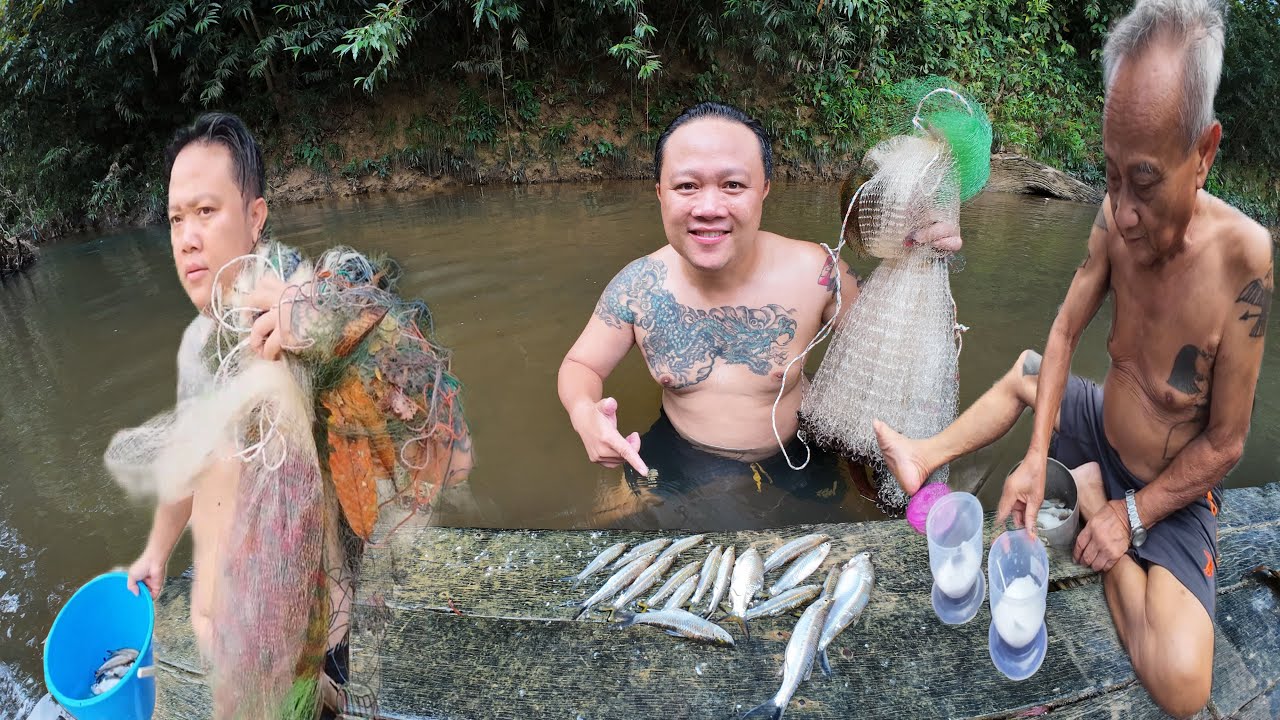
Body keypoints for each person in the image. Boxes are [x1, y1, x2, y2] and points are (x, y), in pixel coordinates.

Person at [873, 1, 1271, 715]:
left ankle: (1089, 497)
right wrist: (1033, 457)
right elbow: (1060, 336)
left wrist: (1128, 516)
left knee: (1184, 689)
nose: (1120, 211)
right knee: (1027, 369)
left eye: (1143, 181)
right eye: (1109, 175)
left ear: (1205, 151)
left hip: (1169, 485)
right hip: (1103, 425)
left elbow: (1227, 444)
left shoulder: (1246, 264)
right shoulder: (1114, 216)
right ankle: (925, 455)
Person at [119, 112, 473, 717]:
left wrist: (324, 324)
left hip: (304, 642)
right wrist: (156, 552)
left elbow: (451, 457)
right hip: (231, 638)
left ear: (255, 217)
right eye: (176, 219)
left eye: (207, 212)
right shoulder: (196, 344)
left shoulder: (303, 307)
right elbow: (189, 459)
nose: (186, 237)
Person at [557, 102, 961, 529]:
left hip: (799, 444)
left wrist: (920, 259)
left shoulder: (817, 272)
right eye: (687, 186)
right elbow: (580, 364)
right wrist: (584, 412)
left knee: (851, 526)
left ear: (764, 188)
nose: (708, 207)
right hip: (683, 449)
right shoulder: (639, 286)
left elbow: (892, 349)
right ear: (659, 191)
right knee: (618, 525)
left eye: (733, 185)